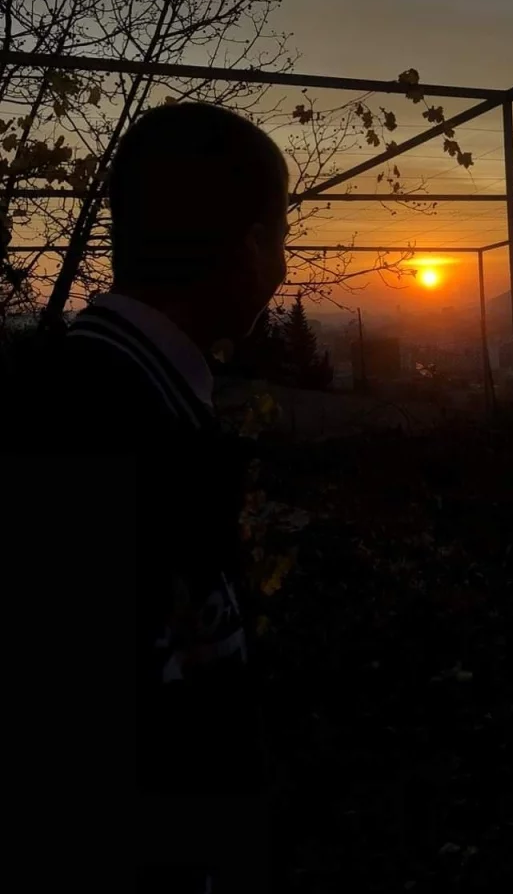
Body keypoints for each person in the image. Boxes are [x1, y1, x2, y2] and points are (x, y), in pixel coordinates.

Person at [50, 102, 289, 892]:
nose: (283, 268)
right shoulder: (93, 420)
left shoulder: (116, 393)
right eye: (279, 238)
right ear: (247, 247)